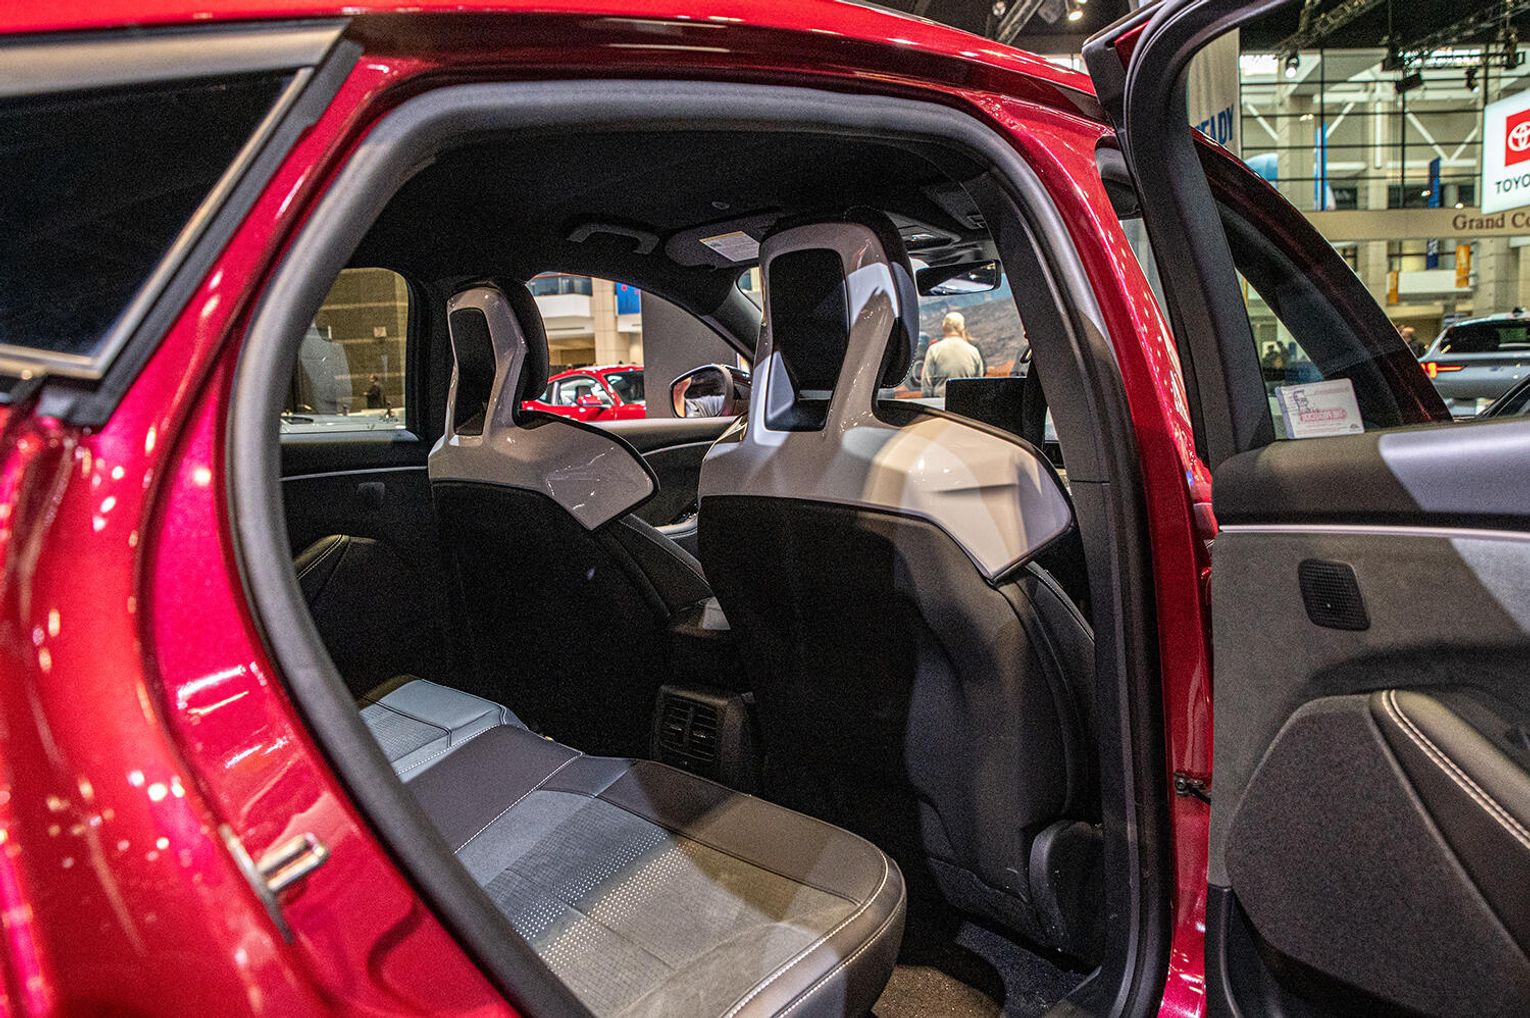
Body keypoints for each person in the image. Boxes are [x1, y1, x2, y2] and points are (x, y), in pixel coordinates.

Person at [921, 311, 985, 398]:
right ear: (962, 328)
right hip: (966, 402)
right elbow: (979, 382)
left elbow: (926, 382)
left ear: (944, 327)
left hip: (940, 402)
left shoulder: (934, 350)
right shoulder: (973, 351)